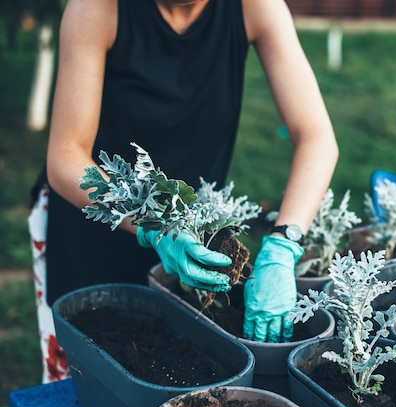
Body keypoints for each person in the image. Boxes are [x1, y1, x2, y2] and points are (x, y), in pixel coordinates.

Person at [29, 0, 338, 383]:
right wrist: (155, 226)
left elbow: (317, 139)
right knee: (89, 385)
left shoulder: (254, 7)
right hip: (93, 228)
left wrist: (282, 246)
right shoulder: (97, 9)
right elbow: (66, 157)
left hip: (193, 245)